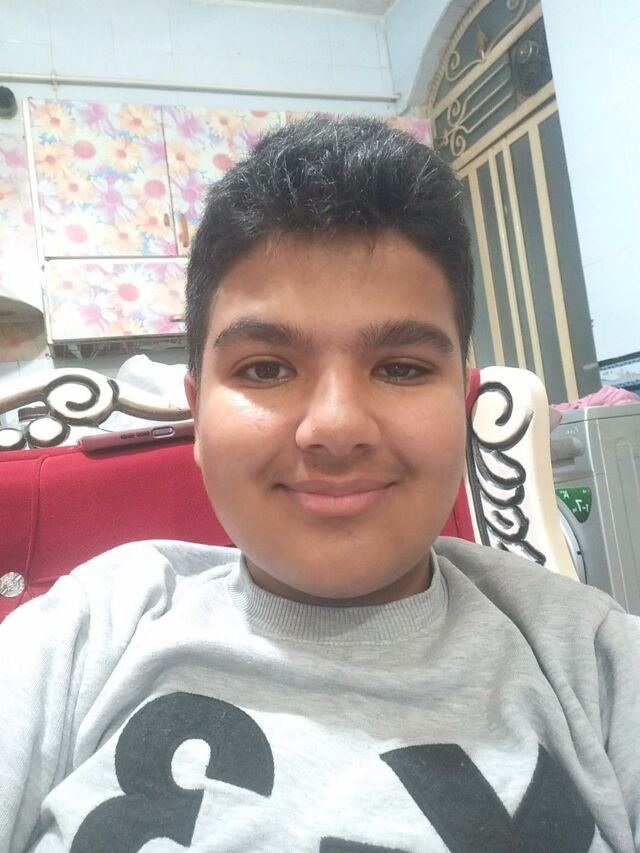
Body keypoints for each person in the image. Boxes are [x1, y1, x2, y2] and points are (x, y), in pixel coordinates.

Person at [1, 116, 639, 853]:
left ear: (461, 406)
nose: (335, 427)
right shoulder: (90, 629)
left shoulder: (594, 662)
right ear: (198, 417)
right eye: (266, 368)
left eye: (400, 367)